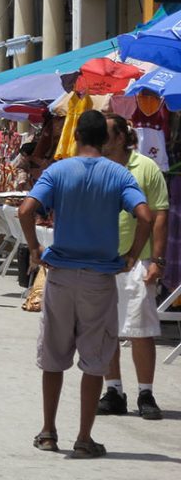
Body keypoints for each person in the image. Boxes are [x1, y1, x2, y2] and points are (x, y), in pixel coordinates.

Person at [18, 109, 152, 460]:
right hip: (99, 279)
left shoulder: (58, 170)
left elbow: (25, 210)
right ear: (106, 140)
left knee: (53, 356)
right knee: (95, 360)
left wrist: (34, 249)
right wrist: (132, 256)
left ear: (76, 136)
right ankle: (83, 438)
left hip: (61, 276)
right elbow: (145, 216)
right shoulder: (119, 174)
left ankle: (48, 432)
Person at [97, 114, 169, 421]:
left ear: (120, 137)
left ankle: (145, 393)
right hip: (102, 260)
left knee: (141, 330)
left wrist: (158, 260)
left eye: (105, 133)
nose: (100, 138)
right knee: (105, 329)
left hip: (139, 260)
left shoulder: (146, 167)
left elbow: (160, 213)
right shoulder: (96, 167)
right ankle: (113, 390)